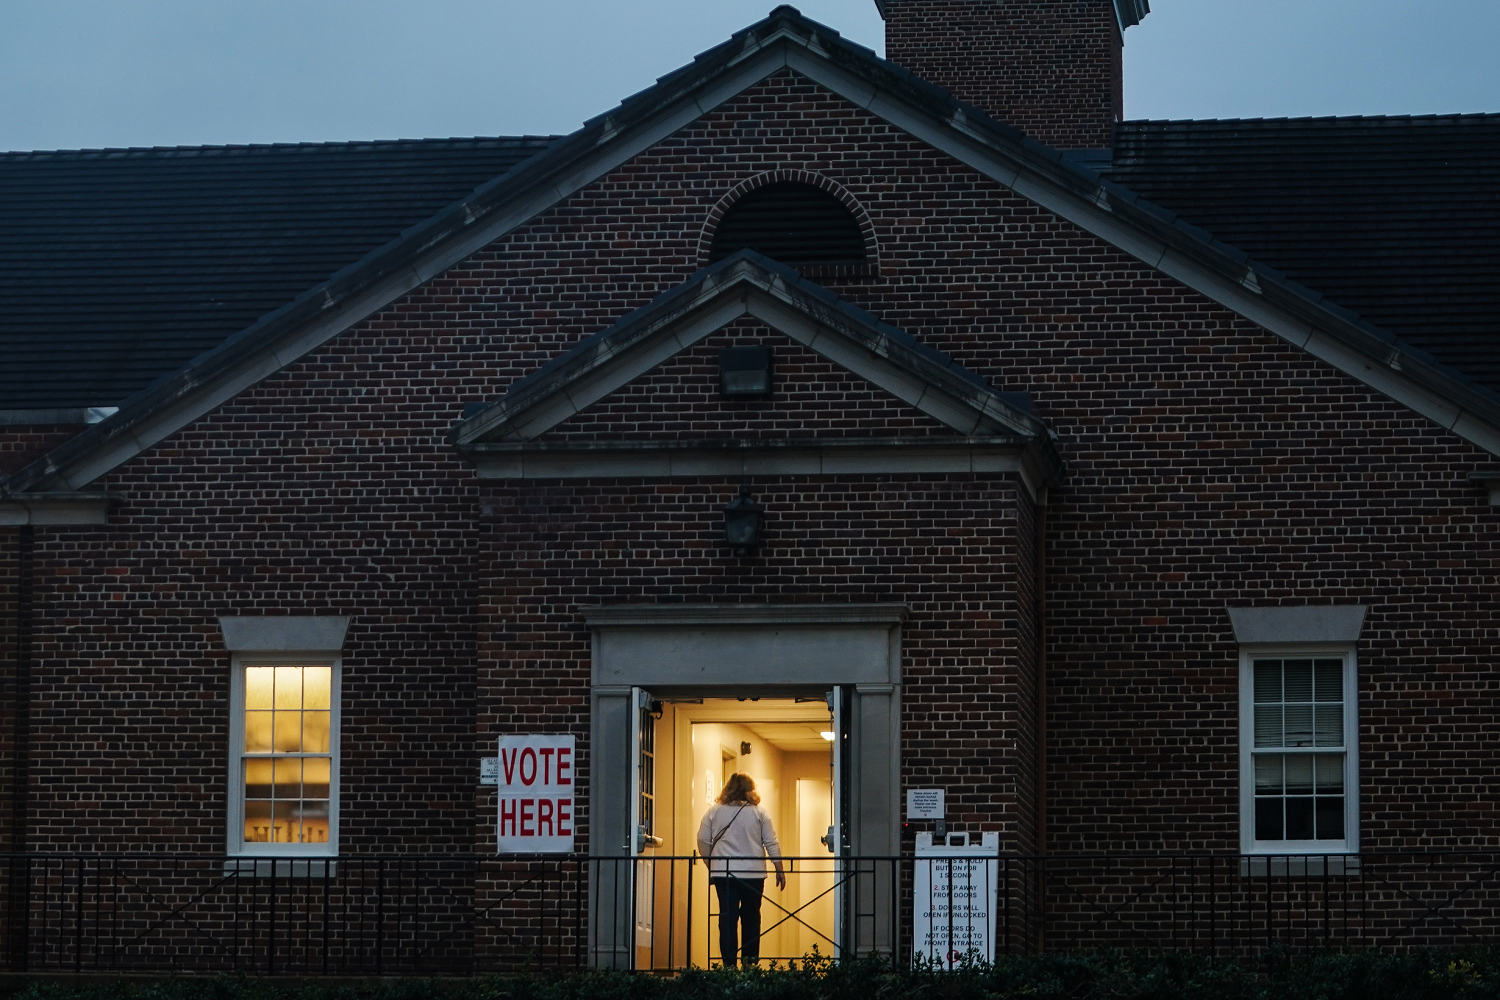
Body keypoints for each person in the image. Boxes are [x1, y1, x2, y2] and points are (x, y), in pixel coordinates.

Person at [696, 772, 786, 967]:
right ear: (749, 790)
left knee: (727, 918)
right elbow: (771, 841)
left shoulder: (713, 812)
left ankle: (729, 964)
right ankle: (749, 963)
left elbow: (703, 840)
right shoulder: (759, 812)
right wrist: (779, 868)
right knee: (751, 917)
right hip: (753, 873)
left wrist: (712, 863)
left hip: (724, 873)